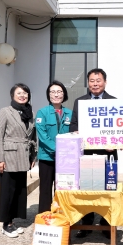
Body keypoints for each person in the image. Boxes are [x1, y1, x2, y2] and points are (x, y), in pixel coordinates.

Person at [69, 68, 117, 238]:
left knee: (107, 190)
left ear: (105, 82)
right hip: (87, 153)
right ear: (87, 83)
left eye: (98, 80)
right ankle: (87, 224)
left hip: (108, 154)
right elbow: (73, 125)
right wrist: (77, 132)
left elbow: (119, 129)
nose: (95, 83)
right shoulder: (79, 101)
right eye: (92, 81)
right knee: (86, 190)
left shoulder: (114, 101)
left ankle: (106, 224)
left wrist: (115, 142)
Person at [0, 83, 37, 238]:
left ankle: (12, 222)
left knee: (19, 191)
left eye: (25, 93)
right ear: (13, 95)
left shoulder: (29, 112)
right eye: (19, 93)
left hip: (23, 156)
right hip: (9, 156)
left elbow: (32, 136)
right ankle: (6, 224)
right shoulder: (5, 112)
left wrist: (33, 156)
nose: (22, 95)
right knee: (7, 191)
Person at [35, 81, 72, 214]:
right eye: (53, 92)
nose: (56, 94)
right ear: (48, 95)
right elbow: (42, 135)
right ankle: (44, 218)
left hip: (65, 160)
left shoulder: (70, 113)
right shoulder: (42, 112)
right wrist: (59, 149)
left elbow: (73, 133)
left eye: (59, 91)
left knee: (63, 189)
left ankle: (62, 217)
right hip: (47, 157)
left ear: (64, 94)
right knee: (45, 189)